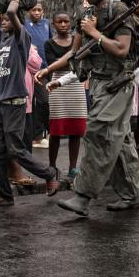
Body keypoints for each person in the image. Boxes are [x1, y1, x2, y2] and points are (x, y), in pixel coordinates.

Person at [54, 0, 139, 217]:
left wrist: (95, 32)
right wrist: (52, 71)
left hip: (119, 83)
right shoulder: (86, 11)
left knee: (99, 131)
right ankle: (131, 194)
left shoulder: (120, 10)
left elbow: (122, 49)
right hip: (99, 82)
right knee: (120, 140)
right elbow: (75, 50)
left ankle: (83, 196)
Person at [0, 0, 59, 207]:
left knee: (16, 149)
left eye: (5, 18)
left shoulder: (22, 38)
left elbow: (13, 10)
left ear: (17, 21)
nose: (1, 20)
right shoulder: (1, 38)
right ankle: (4, 195)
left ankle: (49, 173)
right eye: (0, 18)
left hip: (15, 102)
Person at [35, 12, 85, 180]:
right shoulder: (49, 43)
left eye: (66, 21)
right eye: (59, 21)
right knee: (56, 129)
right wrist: (70, 59)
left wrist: (64, 61)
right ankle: (52, 166)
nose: (63, 24)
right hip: (57, 86)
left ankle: (72, 167)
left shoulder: (78, 41)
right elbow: (53, 65)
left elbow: (78, 62)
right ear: (53, 24)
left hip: (75, 84)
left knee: (76, 131)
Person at [23, 3, 52, 144]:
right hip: (28, 69)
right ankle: (36, 136)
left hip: (44, 68)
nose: (36, 12)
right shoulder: (24, 24)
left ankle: (43, 133)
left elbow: (51, 42)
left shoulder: (47, 23)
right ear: (28, 12)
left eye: (39, 10)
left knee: (44, 101)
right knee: (30, 102)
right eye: (33, 10)